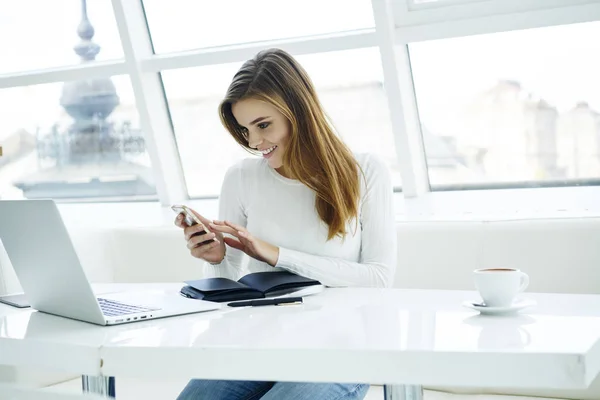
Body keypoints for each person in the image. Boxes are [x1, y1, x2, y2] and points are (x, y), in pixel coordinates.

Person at [174, 48, 397, 400]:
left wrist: (276, 255)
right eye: (245, 129)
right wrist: (216, 259)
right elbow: (227, 297)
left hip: (341, 351)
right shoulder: (241, 178)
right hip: (259, 346)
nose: (254, 142)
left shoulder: (365, 172)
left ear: (300, 112)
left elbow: (379, 278)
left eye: (264, 125)